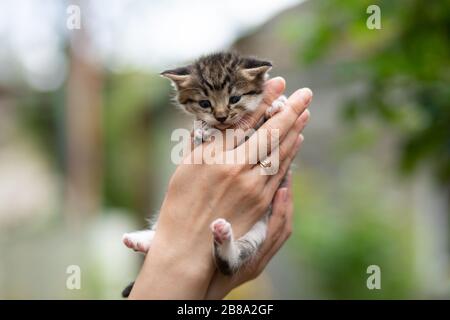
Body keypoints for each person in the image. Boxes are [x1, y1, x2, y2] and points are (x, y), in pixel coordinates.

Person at [129, 78, 312, 299]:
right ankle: (163, 238)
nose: (222, 113)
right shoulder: (208, 127)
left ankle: (207, 249)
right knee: (181, 198)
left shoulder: (253, 112)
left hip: (253, 223)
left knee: (256, 233)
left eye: (234, 100)